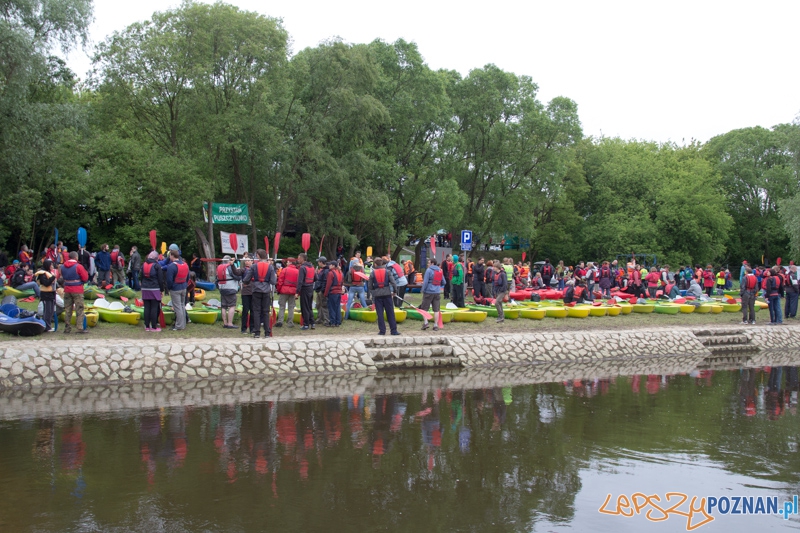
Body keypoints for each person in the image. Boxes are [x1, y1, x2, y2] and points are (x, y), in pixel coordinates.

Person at [244, 249, 277, 339]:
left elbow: (246, 279)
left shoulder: (254, 266)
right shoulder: (270, 267)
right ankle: (267, 332)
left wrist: (246, 282)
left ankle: (257, 332)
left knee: (256, 311)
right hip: (266, 291)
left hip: (256, 291)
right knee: (266, 312)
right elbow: (273, 281)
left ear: (258, 256)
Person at [59, 251, 89, 334]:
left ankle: (67, 328)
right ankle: (80, 327)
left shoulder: (63, 267)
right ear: (76, 257)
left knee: (68, 309)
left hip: (67, 289)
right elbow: (85, 278)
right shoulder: (78, 266)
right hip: (77, 289)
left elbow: (61, 277)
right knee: (79, 308)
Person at [368, 258, 399, 335]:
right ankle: (393, 331)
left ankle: (382, 331)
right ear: (382, 263)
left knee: (380, 313)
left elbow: (370, 286)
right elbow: (393, 283)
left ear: (375, 264)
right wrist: (395, 291)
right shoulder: (387, 271)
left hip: (378, 295)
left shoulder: (372, 273)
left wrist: (374, 292)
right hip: (387, 294)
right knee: (390, 313)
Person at [141, 251, 166, 332]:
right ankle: (154, 327)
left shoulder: (143, 264)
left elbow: (141, 277)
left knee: (147, 307)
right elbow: (160, 279)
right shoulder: (157, 266)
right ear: (156, 258)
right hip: (154, 289)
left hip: (145, 289)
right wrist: (161, 290)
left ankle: (147, 326)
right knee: (154, 307)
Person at [166, 249, 189, 331]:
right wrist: (185, 285)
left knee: (177, 307)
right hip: (183, 287)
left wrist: (169, 288)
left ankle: (179, 325)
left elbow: (169, 280)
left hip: (175, 288)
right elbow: (188, 276)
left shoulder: (172, 266)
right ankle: (183, 324)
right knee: (182, 305)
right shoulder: (185, 264)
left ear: (172, 256)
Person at [420, 258, 445, 331]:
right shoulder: (440, 270)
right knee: (436, 309)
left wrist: (423, 290)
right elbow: (444, 282)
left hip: (428, 292)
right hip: (437, 292)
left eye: (429, 263)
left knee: (424, 308)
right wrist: (438, 286)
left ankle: (426, 323)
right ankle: (435, 325)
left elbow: (425, 282)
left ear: (432, 263)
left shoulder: (429, 270)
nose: (428, 264)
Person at [216, 255, 240, 329]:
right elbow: (236, 276)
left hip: (222, 288)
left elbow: (217, 278)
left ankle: (225, 323)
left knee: (224, 306)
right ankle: (230, 323)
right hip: (231, 288)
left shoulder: (219, 267)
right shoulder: (230, 267)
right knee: (232, 305)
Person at [34, 259, 57, 331]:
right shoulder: (42, 274)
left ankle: (48, 326)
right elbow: (46, 283)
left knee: (51, 311)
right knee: (47, 311)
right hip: (45, 294)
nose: (52, 266)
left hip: (51, 294)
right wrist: (53, 277)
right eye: (51, 265)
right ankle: (46, 326)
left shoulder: (49, 272)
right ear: (47, 265)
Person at [275, 258, 299, 328]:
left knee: (282, 306)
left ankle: (280, 321)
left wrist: (279, 290)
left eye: (288, 262)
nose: (287, 263)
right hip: (293, 291)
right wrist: (297, 292)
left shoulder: (285, 270)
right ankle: (290, 322)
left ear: (290, 262)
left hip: (284, 290)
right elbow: (299, 282)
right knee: (291, 307)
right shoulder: (298, 271)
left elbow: (280, 281)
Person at [296, 253, 316, 330]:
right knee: (309, 307)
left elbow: (300, 281)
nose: (298, 260)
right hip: (311, 288)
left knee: (304, 307)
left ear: (302, 259)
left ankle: (306, 324)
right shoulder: (312, 267)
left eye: (299, 258)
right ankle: (312, 323)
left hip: (305, 288)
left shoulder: (302, 268)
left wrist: (297, 292)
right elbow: (316, 278)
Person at [324, 260, 344, 327]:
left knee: (331, 308)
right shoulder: (340, 272)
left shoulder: (331, 273)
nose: (329, 266)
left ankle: (332, 322)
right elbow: (341, 283)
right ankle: (338, 322)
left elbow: (328, 284)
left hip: (332, 292)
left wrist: (325, 293)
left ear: (333, 266)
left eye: (330, 265)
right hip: (339, 292)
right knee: (337, 307)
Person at [238, 257, 253, 334]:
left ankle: (252, 328)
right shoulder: (243, 270)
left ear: (252, 261)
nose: (247, 262)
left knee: (253, 311)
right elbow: (236, 272)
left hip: (253, 292)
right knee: (245, 311)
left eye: (249, 260)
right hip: (245, 293)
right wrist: (232, 265)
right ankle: (243, 328)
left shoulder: (255, 269)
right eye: (246, 261)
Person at [314, 257, 330, 327]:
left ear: (321, 262)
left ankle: (327, 320)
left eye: (319, 262)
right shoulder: (322, 270)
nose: (318, 263)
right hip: (318, 289)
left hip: (321, 290)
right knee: (318, 304)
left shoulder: (326, 271)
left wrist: (322, 290)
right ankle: (319, 318)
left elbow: (325, 281)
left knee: (324, 305)